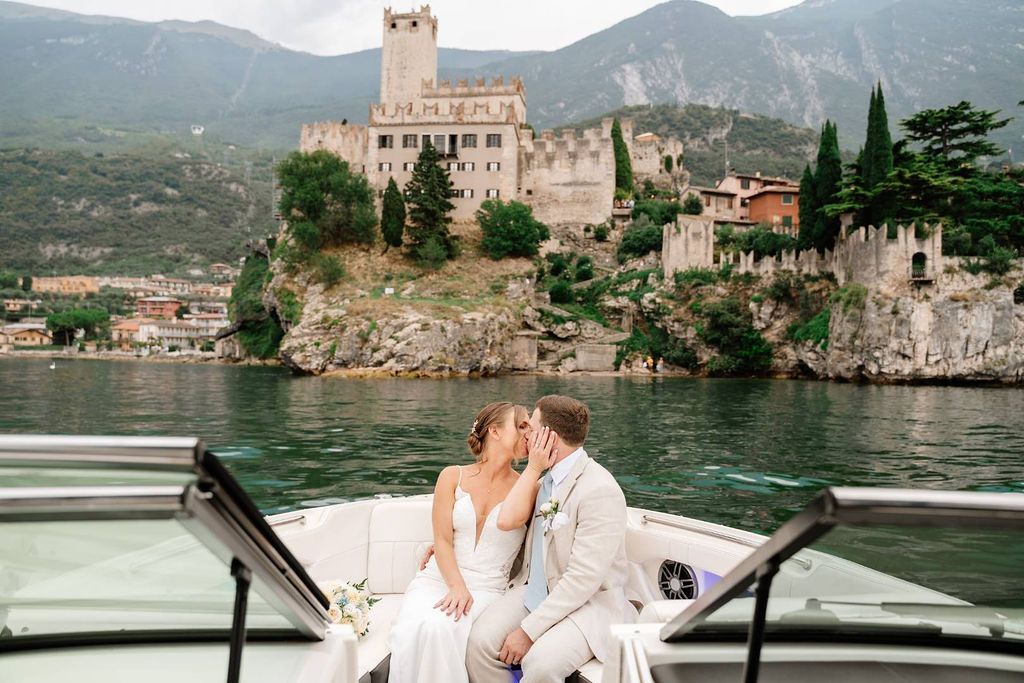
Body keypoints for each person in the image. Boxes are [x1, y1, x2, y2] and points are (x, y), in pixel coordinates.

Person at [466, 395, 630, 683]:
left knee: (541, 664)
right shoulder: (543, 481)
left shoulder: (599, 490)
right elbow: (508, 527)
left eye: (532, 426)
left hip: (586, 605)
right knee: (479, 643)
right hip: (533, 591)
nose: (525, 432)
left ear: (549, 436)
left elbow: (582, 580)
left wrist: (528, 631)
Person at [387, 402, 554, 683]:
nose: (530, 432)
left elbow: (523, 534)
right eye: (522, 425)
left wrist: (535, 468)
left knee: (440, 627)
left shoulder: (531, 487)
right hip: (438, 580)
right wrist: (457, 586)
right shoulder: (451, 476)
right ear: (495, 431)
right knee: (419, 626)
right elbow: (442, 539)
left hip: (487, 588)